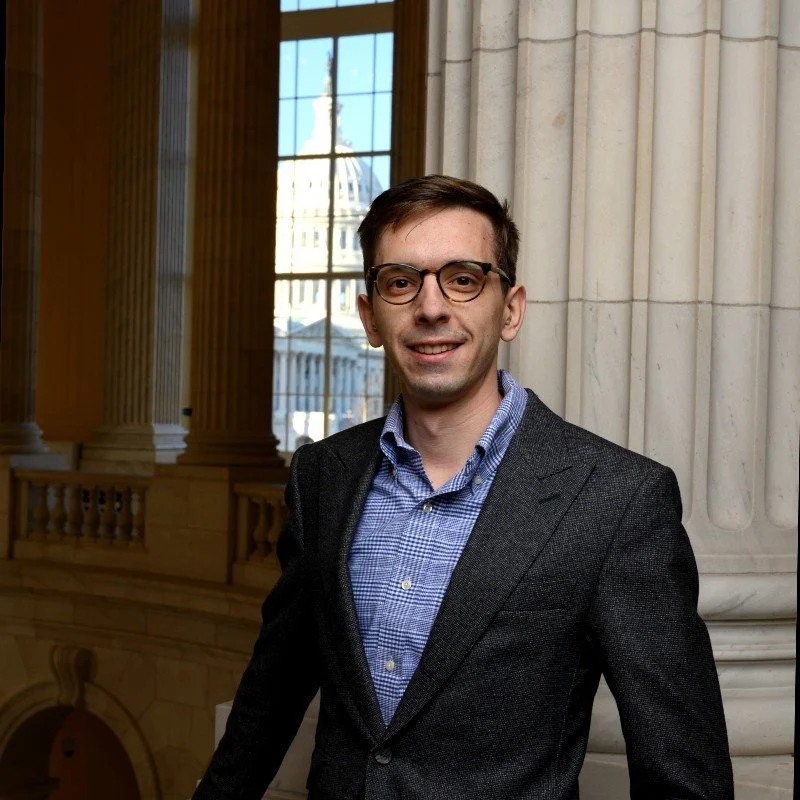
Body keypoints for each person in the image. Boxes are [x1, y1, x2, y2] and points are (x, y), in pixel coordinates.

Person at [194, 175, 734, 799]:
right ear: (370, 316)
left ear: (510, 309)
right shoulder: (323, 477)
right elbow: (272, 694)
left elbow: (685, 777)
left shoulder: (617, 499)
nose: (430, 308)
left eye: (464, 277)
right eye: (401, 281)